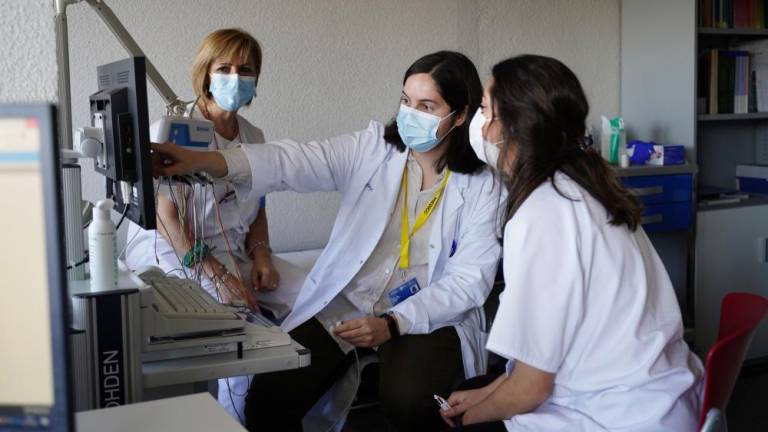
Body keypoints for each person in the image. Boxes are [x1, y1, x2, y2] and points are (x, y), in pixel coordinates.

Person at [152, 50, 502, 431]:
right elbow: (292, 161)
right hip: (350, 304)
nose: (410, 114)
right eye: (405, 101)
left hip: (425, 314)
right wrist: (199, 161)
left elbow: (470, 280)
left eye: (426, 106)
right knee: (270, 395)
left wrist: (394, 323)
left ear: (461, 115)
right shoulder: (372, 149)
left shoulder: (484, 186)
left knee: (407, 401)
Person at [439, 54, 703, 431]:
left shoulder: (542, 212)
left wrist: (469, 417)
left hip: (615, 416)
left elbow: (530, 389)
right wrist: (489, 393)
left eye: (484, 110)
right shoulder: (585, 184)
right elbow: (542, 353)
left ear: (514, 126)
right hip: (659, 394)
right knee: (478, 386)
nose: (480, 127)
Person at [125, 28, 305, 423]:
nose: (235, 78)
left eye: (246, 69)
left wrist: (262, 255)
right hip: (173, 247)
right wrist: (219, 274)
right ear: (206, 73)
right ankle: (233, 420)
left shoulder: (254, 137)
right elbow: (165, 215)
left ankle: (311, 411)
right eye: (225, 67)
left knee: (315, 297)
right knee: (233, 320)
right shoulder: (173, 128)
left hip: (232, 250)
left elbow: (257, 205)